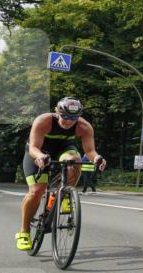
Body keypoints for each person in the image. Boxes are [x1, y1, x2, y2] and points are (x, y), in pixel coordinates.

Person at [17, 97, 105, 251]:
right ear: (57, 112)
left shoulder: (84, 127)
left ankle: (64, 195)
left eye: (73, 118)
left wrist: (98, 158)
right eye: (65, 116)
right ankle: (24, 232)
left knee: (74, 161)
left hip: (64, 149)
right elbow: (33, 147)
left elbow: (90, 151)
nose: (69, 121)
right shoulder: (44, 121)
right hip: (39, 151)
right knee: (36, 191)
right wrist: (40, 157)